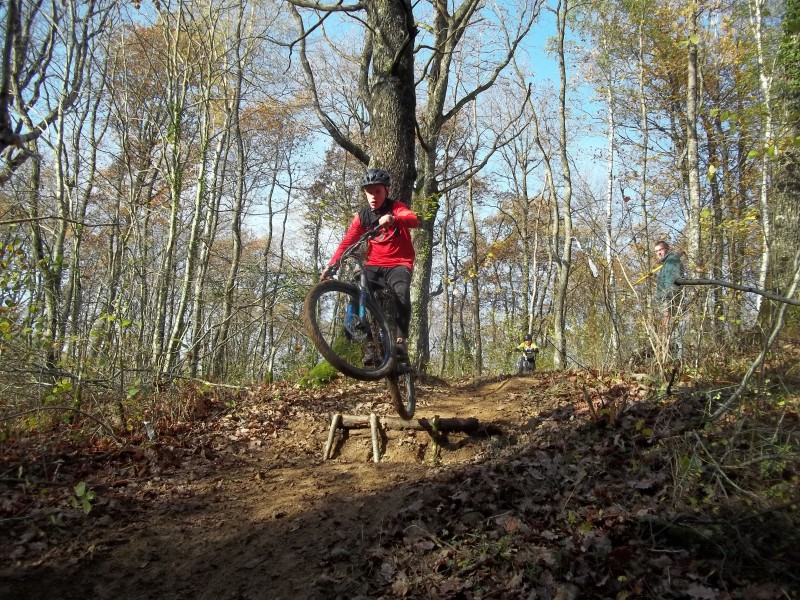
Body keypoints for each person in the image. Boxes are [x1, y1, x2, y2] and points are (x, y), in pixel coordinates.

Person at [322, 168, 419, 358]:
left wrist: (394, 218)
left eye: (378, 192)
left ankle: (400, 341)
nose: (373, 196)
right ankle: (368, 342)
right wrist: (333, 265)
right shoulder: (363, 217)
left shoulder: (395, 207)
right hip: (374, 264)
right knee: (356, 290)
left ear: (386, 191)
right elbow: (347, 242)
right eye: (369, 192)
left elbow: (413, 219)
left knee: (401, 291)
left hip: (399, 263)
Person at [654, 240, 685, 327]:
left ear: (667, 249)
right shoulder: (666, 263)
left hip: (669, 301)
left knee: (668, 328)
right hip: (664, 301)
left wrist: (669, 302)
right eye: (656, 251)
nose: (659, 253)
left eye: (661, 250)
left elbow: (672, 281)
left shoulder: (672, 260)